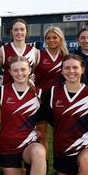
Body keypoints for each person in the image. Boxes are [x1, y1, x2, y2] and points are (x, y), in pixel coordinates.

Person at [0, 56, 47, 175]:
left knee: (40, 152)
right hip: (8, 145)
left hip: (28, 143)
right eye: (16, 70)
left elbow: (43, 120)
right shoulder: (1, 91)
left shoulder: (39, 93)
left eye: (23, 69)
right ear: (10, 72)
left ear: (30, 71)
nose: (20, 73)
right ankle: (24, 173)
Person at [34, 26, 68, 159]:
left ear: (61, 39)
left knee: (60, 135)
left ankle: (61, 167)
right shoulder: (38, 54)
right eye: (48, 38)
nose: (51, 40)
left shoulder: (66, 56)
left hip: (59, 99)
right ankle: (44, 167)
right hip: (41, 98)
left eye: (55, 37)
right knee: (42, 135)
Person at [0, 18, 38, 86]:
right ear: (11, 32)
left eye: (22, 29)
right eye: (16, 30)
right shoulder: (3, 50)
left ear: (26, 31)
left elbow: (34, 72)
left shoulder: (34, 51)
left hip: (28, 91)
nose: (19, 32)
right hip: (8, 92)